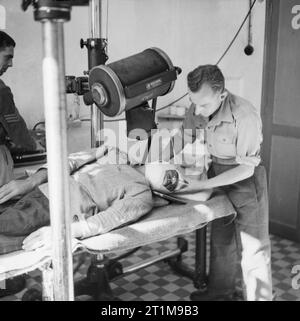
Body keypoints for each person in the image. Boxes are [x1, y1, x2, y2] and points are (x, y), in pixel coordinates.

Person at [170, 65, 272, 301]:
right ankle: (219, 294)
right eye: (193, 102)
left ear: (222, 95)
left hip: (245, 180)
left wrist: (202, 185)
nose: (197, 109)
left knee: (254, 249)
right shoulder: (199, 104)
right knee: (221, 240)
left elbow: (246, 168)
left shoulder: (244, 115)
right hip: (218, 172)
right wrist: (159, 163)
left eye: (204, 105)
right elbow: (184, 136)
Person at [0, 145, 191, 253]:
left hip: (57, 210)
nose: (171, 171)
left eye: (172, 180)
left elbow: (107, 220)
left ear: (165, 194)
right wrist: (32, 180)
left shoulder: (142, 195)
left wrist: (62, 233)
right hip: (41, 191)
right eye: (171, 166)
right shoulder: (117, 155)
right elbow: (72, 159)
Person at [0, 31, 37, 187]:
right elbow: (18, 131)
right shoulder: (1, 91)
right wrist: (36, 146)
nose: (11, 64)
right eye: (8, 57)